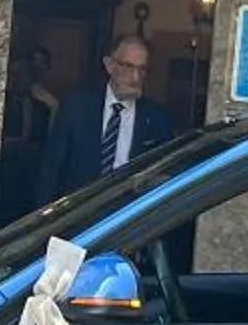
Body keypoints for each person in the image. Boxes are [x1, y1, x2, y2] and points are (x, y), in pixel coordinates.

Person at [37, 34, 173, 201]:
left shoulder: (157, 119)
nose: (136, 77)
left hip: (128, 214)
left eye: (142, 69)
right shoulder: (77, 106)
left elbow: (163, 176)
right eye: (128, 67)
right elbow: (51, 169)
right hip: (79, 210)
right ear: (109, 65)